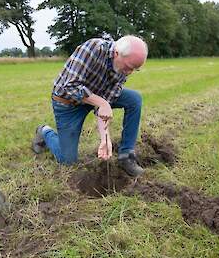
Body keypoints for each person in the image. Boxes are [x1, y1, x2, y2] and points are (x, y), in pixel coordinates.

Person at [32, 35, 148, 176]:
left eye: (134, 69)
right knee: (68, 161)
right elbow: (70, 86)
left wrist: (105, 139)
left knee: (134, 99)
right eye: (129, 67)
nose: (129, 73)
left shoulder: (121, 67)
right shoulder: (93, 48)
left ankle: (126, 156)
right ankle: (44, 131)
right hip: (68, 103)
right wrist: (102, 102)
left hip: (94, 98)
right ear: (117, 53)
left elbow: (105, 106)